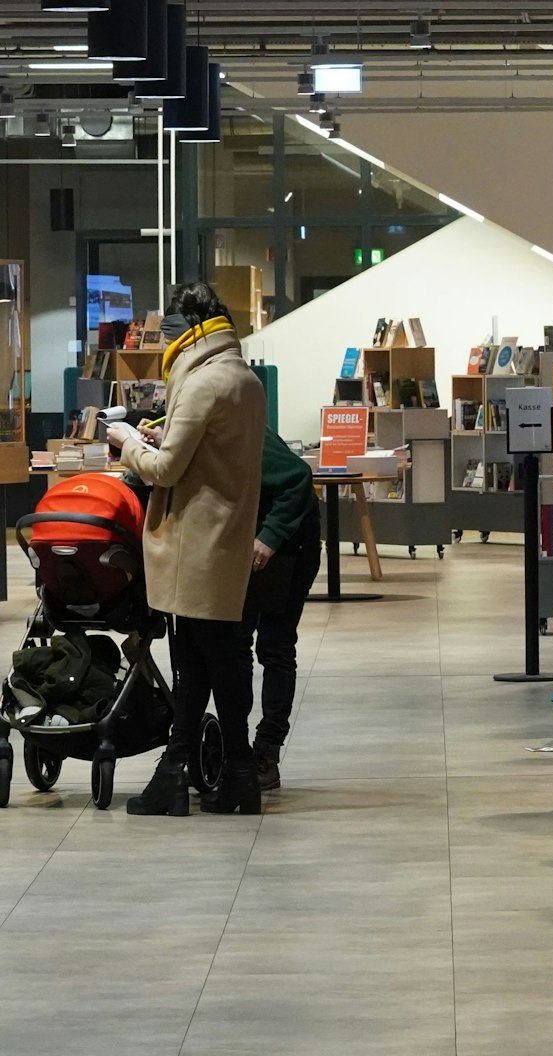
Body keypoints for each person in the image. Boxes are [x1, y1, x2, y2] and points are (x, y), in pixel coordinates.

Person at [110, 281, 268, 816]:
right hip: (226, 537)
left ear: (191, 331)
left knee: (209, 661)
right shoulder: (243, 377)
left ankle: (211, 773)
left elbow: (165, 471)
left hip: (194, 544)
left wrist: (128, 442)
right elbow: (212, 459)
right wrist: (166, 438)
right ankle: (192, 773)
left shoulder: (202, 383)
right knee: (208, 660)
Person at [243, 429, 321, 791]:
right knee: (234, 644)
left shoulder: (240, 430)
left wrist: (270, 536)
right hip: (245, 541)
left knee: (274, 645)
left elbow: (297, 478)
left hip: (290, 544)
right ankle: (235, 748)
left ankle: (267, 750)